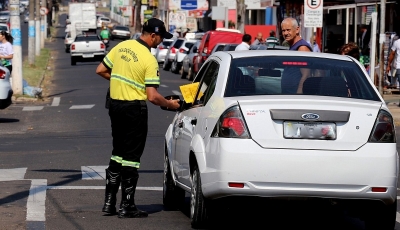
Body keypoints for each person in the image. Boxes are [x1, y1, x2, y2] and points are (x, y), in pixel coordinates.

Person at [95, 18, 180, 219]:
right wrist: (170, 104)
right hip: (134, 110)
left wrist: (124, 80)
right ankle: (127, 206)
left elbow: (101, 70)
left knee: (118, 153)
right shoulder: (149, 60)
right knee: (132, 158)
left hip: (115, 106)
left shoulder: (122, 47)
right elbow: (152, 96)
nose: (161, 42)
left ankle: (109, 203)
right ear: (152, 35)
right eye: (160, 38)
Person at [280, 17, 312, 94]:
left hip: (295, 95)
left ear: (297, 29)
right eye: (283, 30)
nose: (285, 33)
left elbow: (306, 74)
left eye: (288, 30)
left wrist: (299, 92)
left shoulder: (302, 48)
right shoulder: (294, 46)